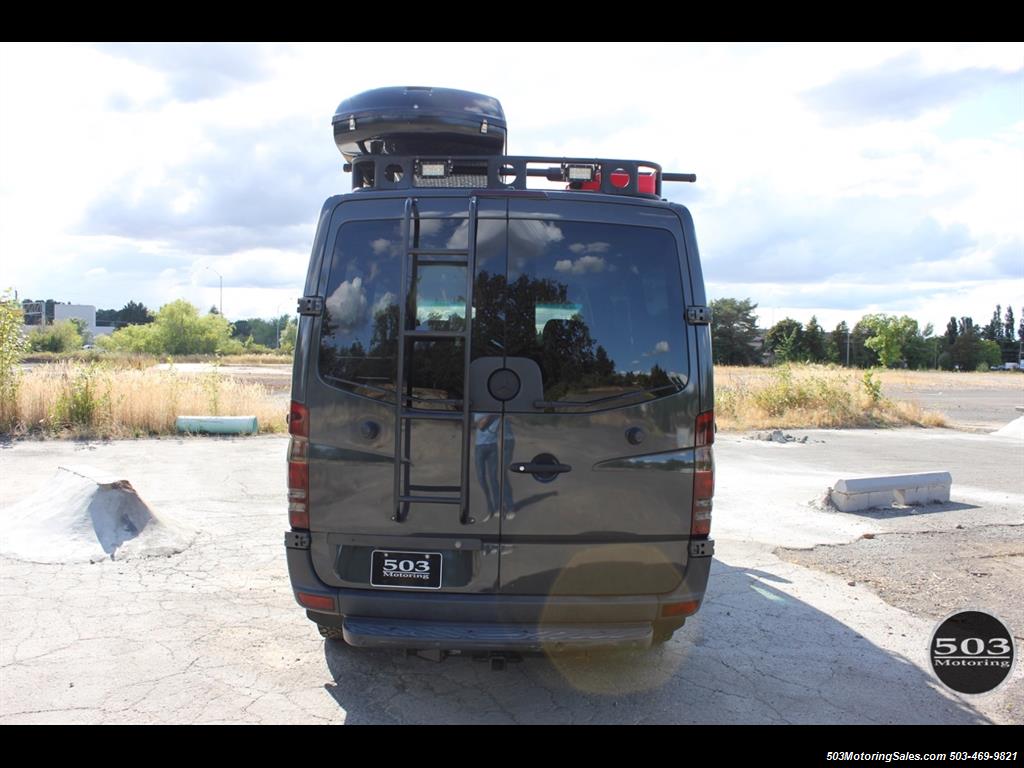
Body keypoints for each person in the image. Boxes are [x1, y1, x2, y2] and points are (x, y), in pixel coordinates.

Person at [473, 413, 515, 521]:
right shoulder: (480, 411)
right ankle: (490, 507)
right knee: (481, 478)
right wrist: (491, 414)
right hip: (480, 447)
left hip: (493, 447)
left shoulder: (498, 412)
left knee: (493, 479)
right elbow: (480, 426)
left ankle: (498, 508)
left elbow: (508, 423)